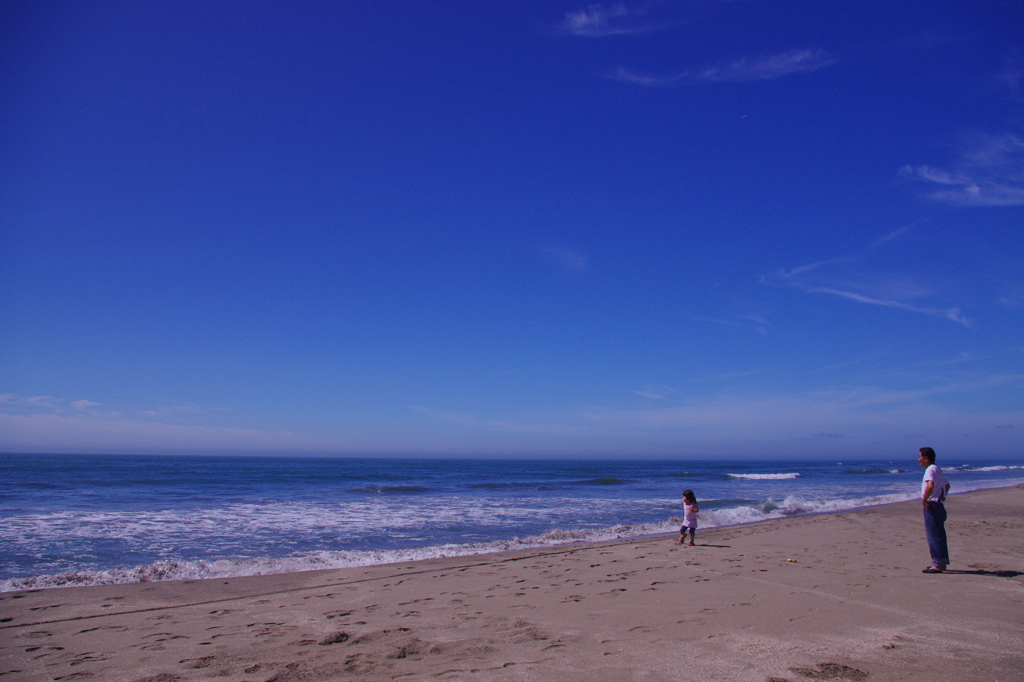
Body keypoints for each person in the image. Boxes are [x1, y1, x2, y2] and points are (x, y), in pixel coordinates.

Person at [918, 447, 951, 573]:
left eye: (920, 456)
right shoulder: (937, 469)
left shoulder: (930, 469)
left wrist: (925, 499)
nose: (918, 459)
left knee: (933, 535)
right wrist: (941, 497)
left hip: (932, 505)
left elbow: (930, 485)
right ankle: (941, 563)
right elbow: (947, 485)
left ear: (926, 458)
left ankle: (937, 564)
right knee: (939, 535)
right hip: (939, 504)